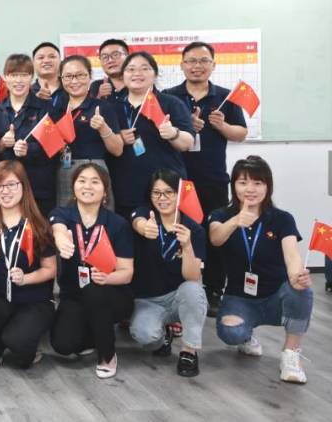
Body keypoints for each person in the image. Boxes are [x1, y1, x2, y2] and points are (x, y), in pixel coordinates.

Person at [163, 41, 249, 315]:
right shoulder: (169, 96)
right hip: (177, 179)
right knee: (177, 233)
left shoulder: (225, 97)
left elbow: (241, 133)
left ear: (213, 64)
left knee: (214, 236)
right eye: (191, 61)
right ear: (182, 65)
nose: (197, 66)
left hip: (213, 179)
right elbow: (159, 132)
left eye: (203, 61)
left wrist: (222, 126)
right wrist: (185, 125)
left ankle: (213, 290)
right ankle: (175, 287)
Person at [210, 156, 312, 384]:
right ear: (234, 186)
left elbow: (291, 254)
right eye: (243, 182)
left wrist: (296, 275)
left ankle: (291, 354)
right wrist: (236, 221)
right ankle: (246, 335)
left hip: (276, 296)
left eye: (258, 183)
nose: (250, 189)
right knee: (231, 334)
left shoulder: (282, 219)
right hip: (239, 297)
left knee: (302, 289)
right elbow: (215, 238)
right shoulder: (221, 215)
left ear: (268, 186)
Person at [50, 163, 134, 379]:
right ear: (73, 187)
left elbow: (127, 273)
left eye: (95, 182)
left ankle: (107, 354)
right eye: (82, 181)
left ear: (105, 191)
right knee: (63, 344)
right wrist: (61, 238)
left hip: (111, 294)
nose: (87, 186)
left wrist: (108, 278)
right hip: (74, 296)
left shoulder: (118, 224)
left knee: (94, 291)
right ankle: (93, 333)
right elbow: (57, 227)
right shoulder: (63, 214)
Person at [0, 161, 57, 369]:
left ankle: (19, 342)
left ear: (24, 186)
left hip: (34, 301)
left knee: (20, 349)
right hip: (1, 298)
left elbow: (50, 269)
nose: (5, 191)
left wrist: (26, 278)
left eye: (11, 184)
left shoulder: (39, 224)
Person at [128, 169, 207, 377]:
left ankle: (189, 351)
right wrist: (144, 227)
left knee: (193, 290)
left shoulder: (193, 228)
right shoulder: (145, 214)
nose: (162, 198)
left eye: (169, 192)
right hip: (148, 300)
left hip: (178, 297)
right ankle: (164, 336)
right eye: (156, 193)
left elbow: (192, 277)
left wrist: (187, 246)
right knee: (145, 336)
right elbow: (136, 220)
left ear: (179, 194)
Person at [107, 52, 194, 219]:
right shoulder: (112, 107)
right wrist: (118, 138)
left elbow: (187, 143)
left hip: (165, 189)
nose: (137, 73)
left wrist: (173, 133)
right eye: (131, 69)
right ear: (123, 75)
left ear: (155, 75)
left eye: (144, 69)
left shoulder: (171, 103)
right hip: (125, 189)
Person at [0, 54, 56, 217]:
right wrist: (2, 144)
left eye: (24, 75)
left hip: (38, 185)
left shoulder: (45, 108)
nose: (18, 80)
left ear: (31, 77)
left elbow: (53, 148)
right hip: (5, 187)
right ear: (6, 77)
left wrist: (29, 149)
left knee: (40, 229)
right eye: (14, 75)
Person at [56, 55, 124, 208]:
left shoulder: (103, 107)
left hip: (94, 170)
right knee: (65, 217)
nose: (74, 81)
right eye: (68, 76)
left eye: (80, 75)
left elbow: (118, 150)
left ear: (90, 76)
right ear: (61, 79)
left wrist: (103, 127)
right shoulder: (56, 109)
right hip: (64, 170)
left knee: (99, 217)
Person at [31, 42, 66, 111]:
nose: (46, 61)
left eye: (52, 57)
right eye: (41, 58)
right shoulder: (27, 93)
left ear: (60, 61)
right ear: (33, 63)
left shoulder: (70, 88)